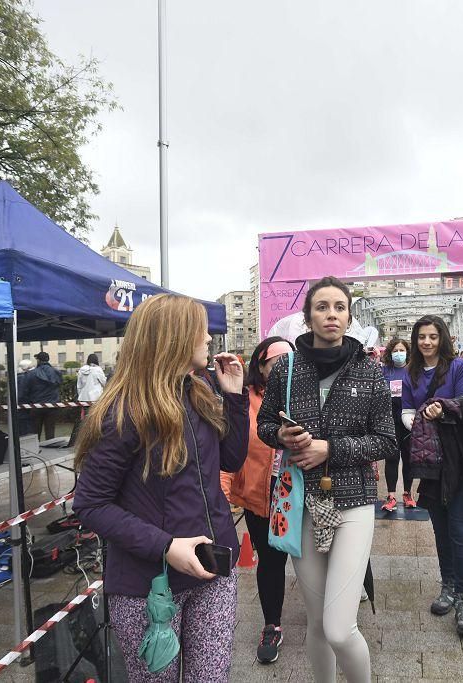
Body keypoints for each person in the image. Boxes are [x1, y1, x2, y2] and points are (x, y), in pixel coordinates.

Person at [73, 294, 248, 682]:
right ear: (172, 337)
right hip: (148, 586)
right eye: (198, 329)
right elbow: (89, 503)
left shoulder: (198, 390)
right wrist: (166, 546)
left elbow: (232, 461)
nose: (207, 337)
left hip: (214, 570)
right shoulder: (124, 412)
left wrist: (234, 396)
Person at [257, 276, 395, 683]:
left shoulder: (369, 371)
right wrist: (280, 435)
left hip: (353, 502)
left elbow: (387, 440)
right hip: (300, 503)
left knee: (339, 626)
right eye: (322, 307)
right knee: (316, 624)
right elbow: (265, 424)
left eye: (339, 307)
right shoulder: (286, 367)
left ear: (349, 316)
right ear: (308, 316)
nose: (330, 314)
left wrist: (329, 449)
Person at [402, 315, 463, 638]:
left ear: (442, 338)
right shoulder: (411, 373)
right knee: (441, 529)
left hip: (458, 459)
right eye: (422, 337)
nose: (427, 342)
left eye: (433, 336)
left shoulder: (458, 367)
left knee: (462, 530)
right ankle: (447, 584)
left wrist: (442, 408)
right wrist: (419, 420)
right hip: (429, 461)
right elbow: (406, 411)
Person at [228, 336, 294, 665]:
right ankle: (272, 625)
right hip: (259, 496)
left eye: (289, 362)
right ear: (261, 366)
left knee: (311, 560)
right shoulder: (245, 399)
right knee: (270, 561)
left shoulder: (305, 396)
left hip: (300, 496)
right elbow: (230, 449)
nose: (283, 369)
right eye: (276, 363)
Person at [381, 338, 415, 513]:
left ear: (407, 352)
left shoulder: (413, 371)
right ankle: (391, 495)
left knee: (408, 457)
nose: (399, 353)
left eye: (402, 350)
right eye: (395, 350)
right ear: (390, 353)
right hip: (390, 419)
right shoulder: (384, 370)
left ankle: (408, 494)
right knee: (392, 457)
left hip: (408, 420)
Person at [25, 351, 62, 440]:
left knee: (35, 433)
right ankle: (50, 451)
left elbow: (25, 390)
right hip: (52, 405)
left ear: (38, 360)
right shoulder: (56, 373)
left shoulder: (31, 374)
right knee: (50, 432)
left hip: (36, 405)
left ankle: (35, 451)